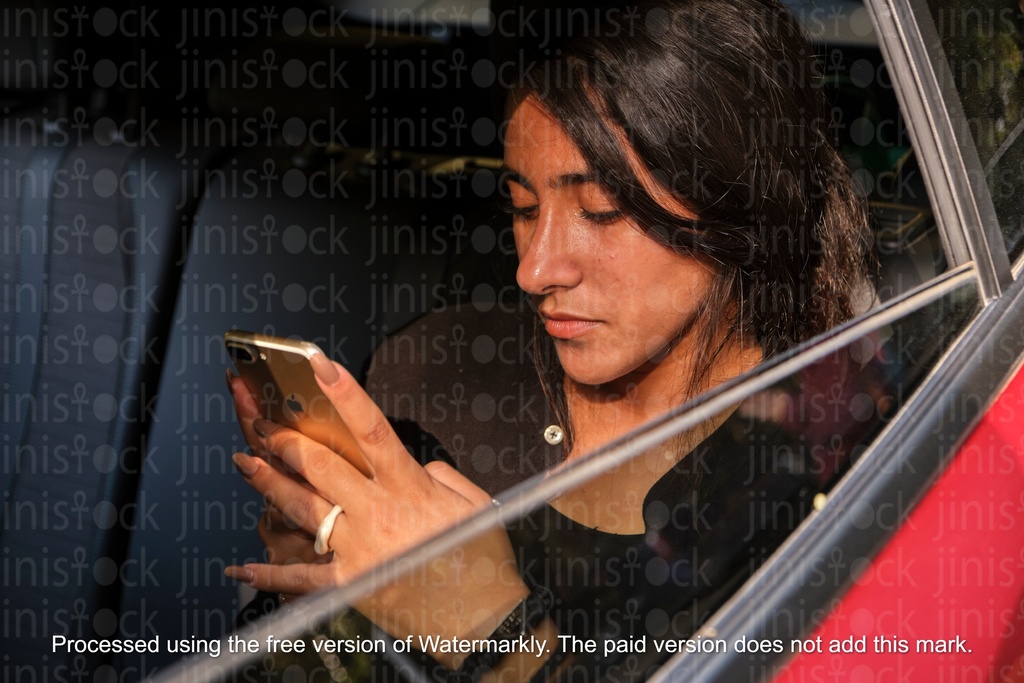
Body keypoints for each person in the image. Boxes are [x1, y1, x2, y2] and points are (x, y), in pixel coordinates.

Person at [225, 0, 870, 679]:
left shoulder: (814, 478)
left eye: (601, 212)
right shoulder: (433, 371)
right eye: (524, 208)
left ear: (740, 205)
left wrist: (494, 631)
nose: (532, 270)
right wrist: (320, 616)